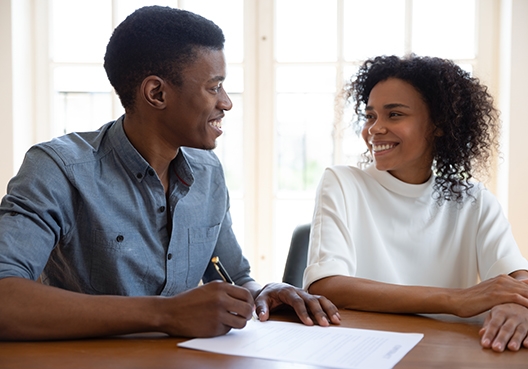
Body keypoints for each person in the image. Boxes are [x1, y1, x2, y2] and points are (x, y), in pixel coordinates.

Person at [0, 6, 340, 341]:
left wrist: (265, 291)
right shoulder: (58, 168)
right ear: (157, 93)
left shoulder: (208, 172)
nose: (226, 102)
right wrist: (166, 314)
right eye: (213, 87)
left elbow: (234, 277)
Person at [303, 54, 528, 353]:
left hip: (445, 354)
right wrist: (456, 300)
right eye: (370, 116)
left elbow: (517, 278)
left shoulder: (474, 199)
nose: (374, 129)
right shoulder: (343, 183)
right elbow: (327, 285)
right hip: (364, 351)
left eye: (394, 114)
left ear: (439, 125)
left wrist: (519, 307)